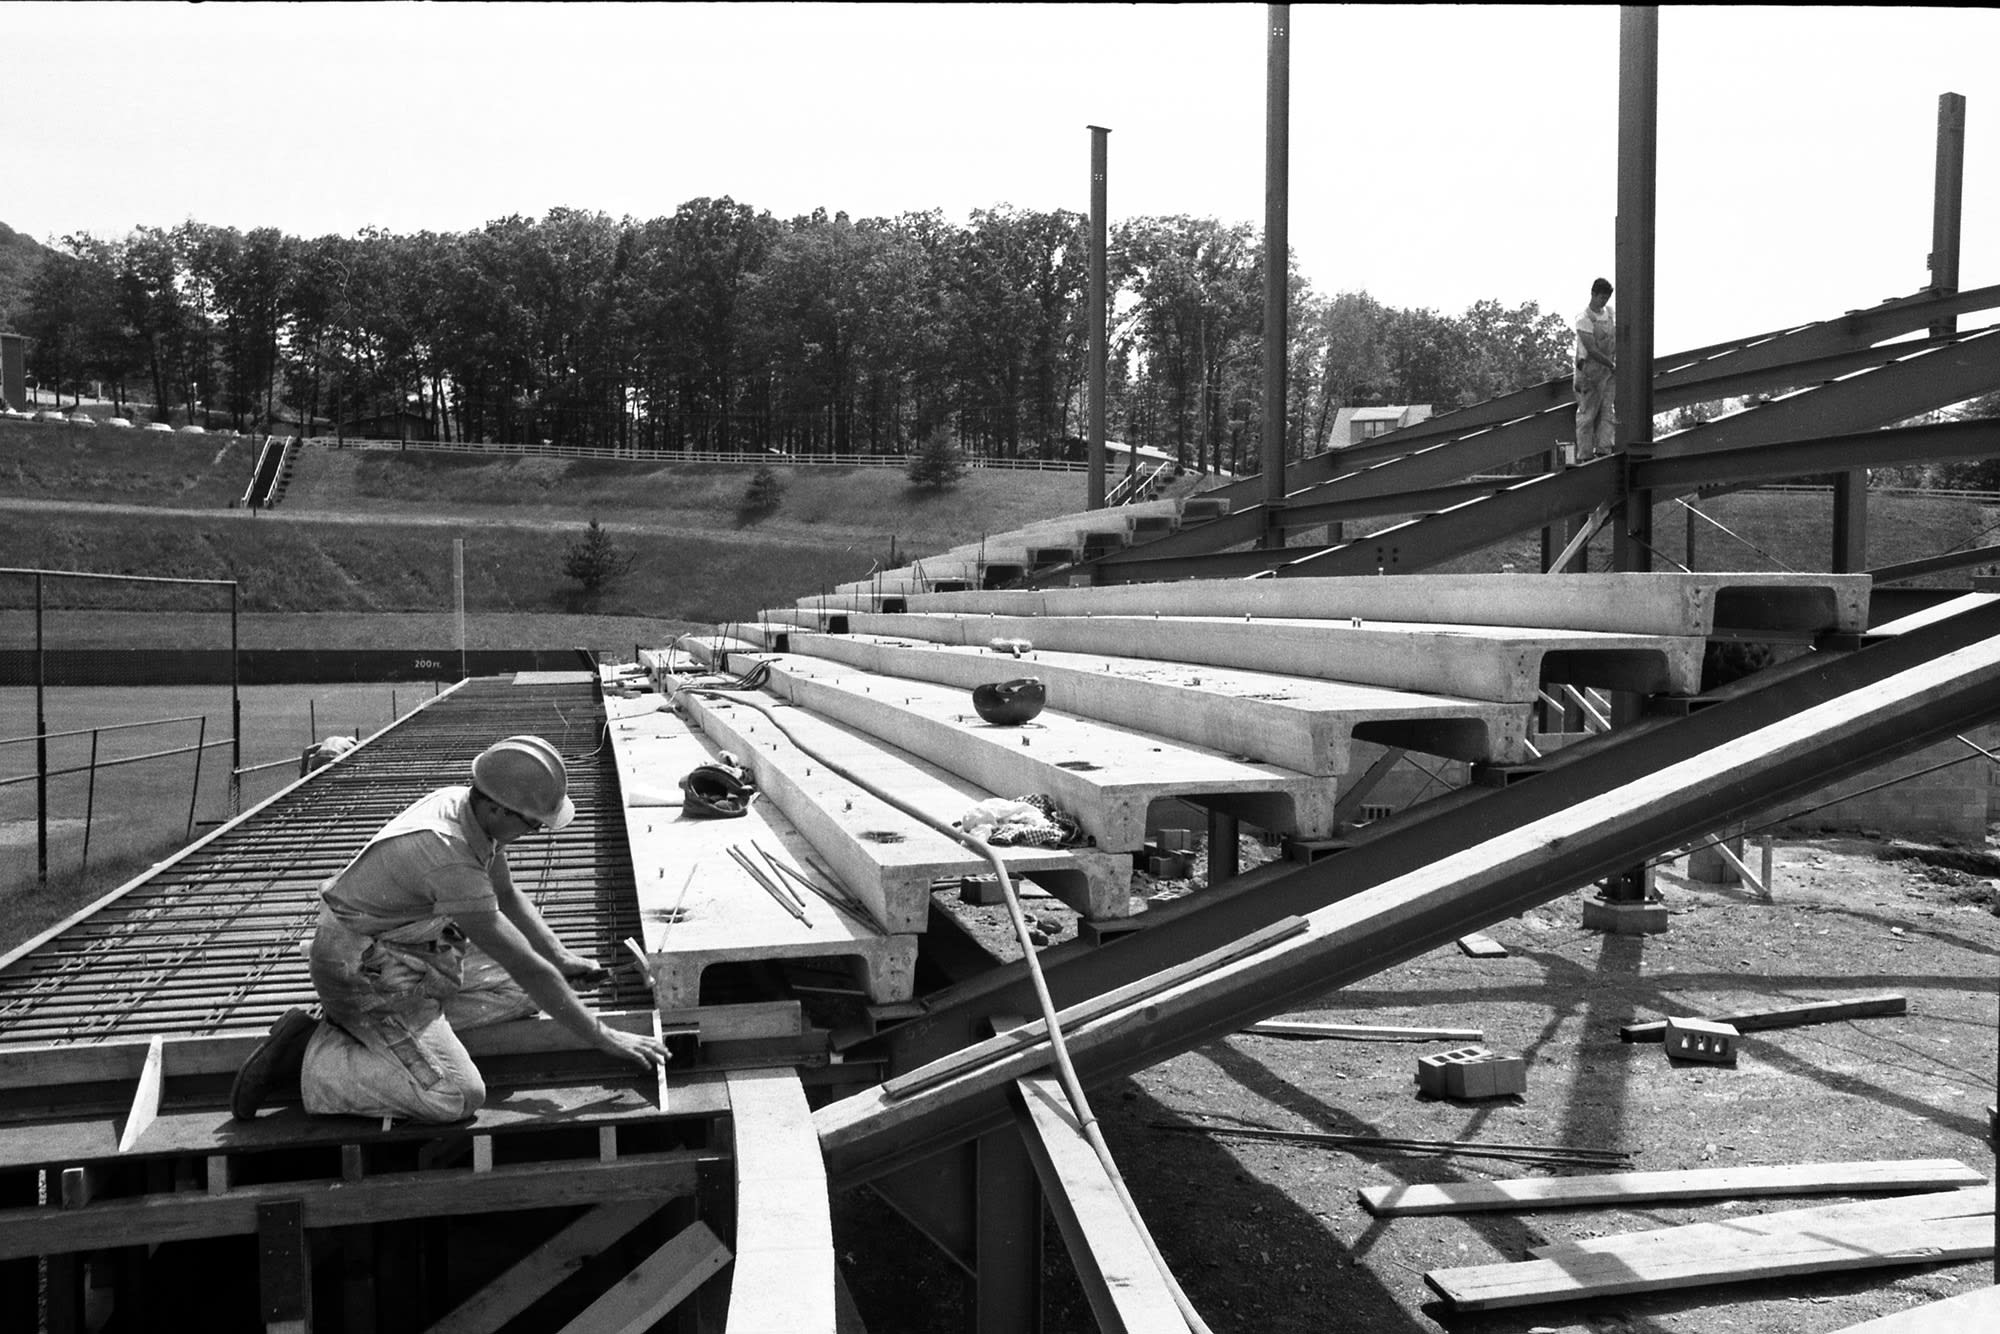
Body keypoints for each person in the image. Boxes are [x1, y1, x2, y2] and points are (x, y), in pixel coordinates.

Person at [231, 735, 671, 1122]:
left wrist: (560, 958)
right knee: (456, 1095)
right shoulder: (448, 855)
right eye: (534, 823)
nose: (536, 831)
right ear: (499, 808)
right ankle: (310, 1054)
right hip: (359, 970)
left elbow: (509, 897)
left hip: (403, 944)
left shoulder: (471, 808)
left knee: (524, 994)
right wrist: (602, 1035)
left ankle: (394, 1034)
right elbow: (526, 966)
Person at [1572, 277, 1616, 460]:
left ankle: (1604, 449)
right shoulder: (1584, 319)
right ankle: (1585, 455)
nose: (1603, 301)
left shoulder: (1610, 314)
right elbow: (1592, 349)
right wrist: (1612, 364)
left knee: (1607, 410)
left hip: (1607, 371)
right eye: (1601, 297)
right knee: (1588, 415)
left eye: (1606, 298)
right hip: (1589, 373)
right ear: (1593, 294)